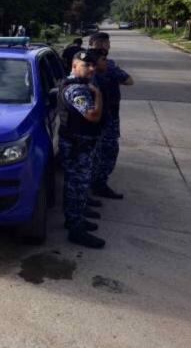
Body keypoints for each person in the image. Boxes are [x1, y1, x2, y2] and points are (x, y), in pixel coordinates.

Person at [57, 48, 106, 249]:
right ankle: (76, 230)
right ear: (74, 66)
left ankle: (74, 220)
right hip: (76, 147)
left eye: (93, 65)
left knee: (76, 186)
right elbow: (92, 115)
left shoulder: (79, 84)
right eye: (86, 65)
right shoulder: (75, 89)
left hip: (79, 144)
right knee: (76, 186)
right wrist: (99, 95)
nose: (91, 69)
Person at [89, 32, 134, 200]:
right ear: (100, 44)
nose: (108, 46)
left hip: (93, 116)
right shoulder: (108, 66)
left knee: (94, 153)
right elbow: (129, 81)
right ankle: (98, 185)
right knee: (106, 152)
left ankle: (92, 186)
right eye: (106, 43)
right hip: (104, 117)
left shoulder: (80, 59)